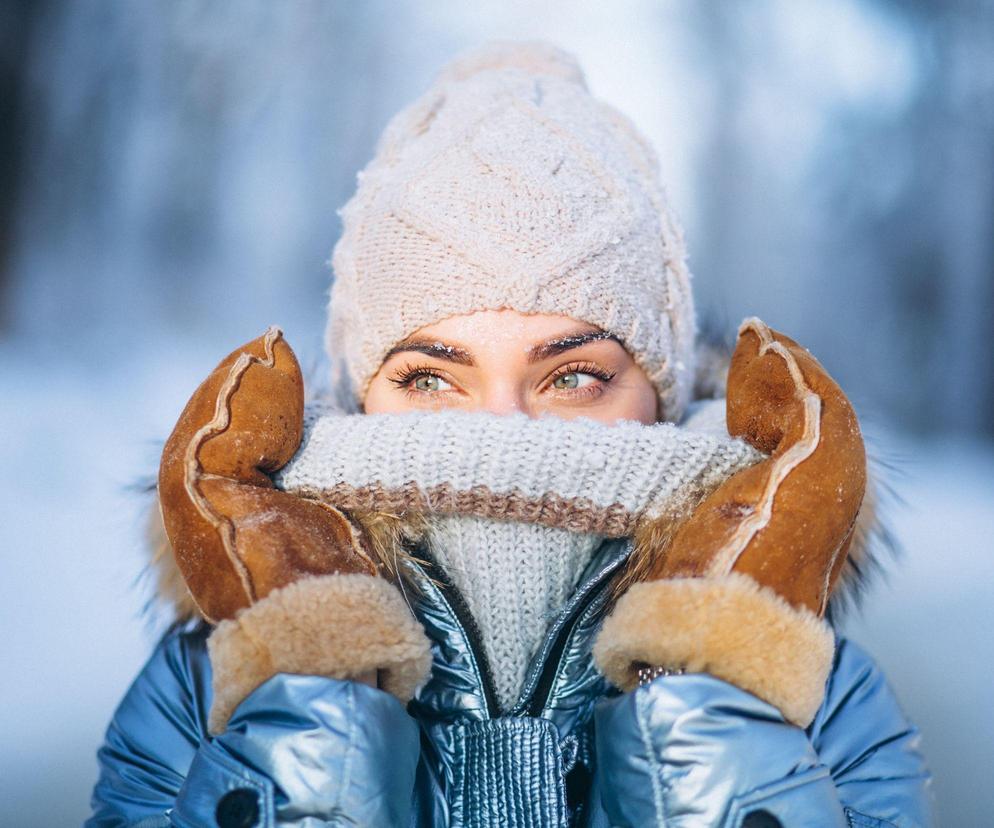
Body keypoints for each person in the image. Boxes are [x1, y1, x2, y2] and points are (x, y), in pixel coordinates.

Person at [87, 41, 932, 827]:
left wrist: (717, 699)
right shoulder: (213, 686)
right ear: (360, 392)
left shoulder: (810, 694)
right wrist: (304, 701)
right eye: (430, 378)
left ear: (663, 396)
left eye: (571, 377)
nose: (501, 433)